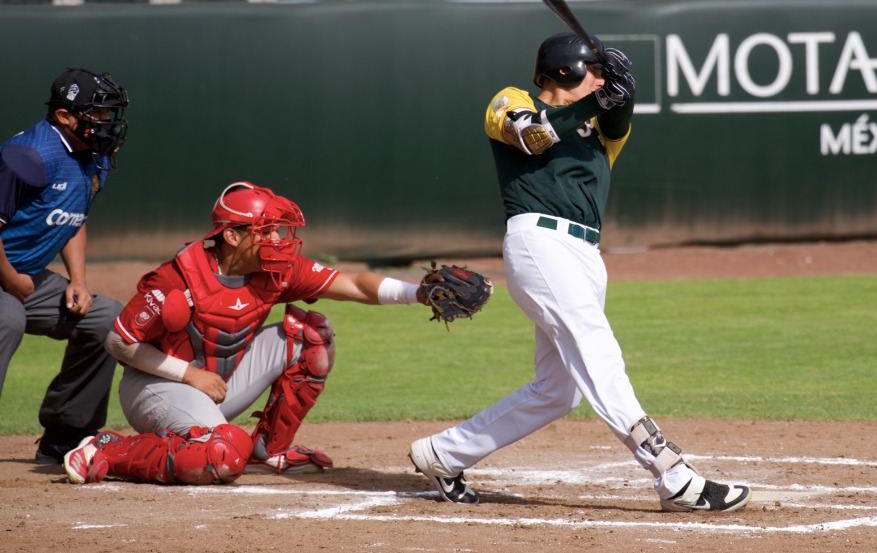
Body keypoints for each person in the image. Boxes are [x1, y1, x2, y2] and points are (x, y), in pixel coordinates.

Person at [408, 33, 752, 513]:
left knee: (558, 391)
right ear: (566, 69)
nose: (600, 81)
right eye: (593, 71)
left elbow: (616, 117)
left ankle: (443, 454)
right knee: (597, 350)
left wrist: (618, 92)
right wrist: (599, 92)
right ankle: (673, 476)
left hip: (587, 255)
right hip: (539, 243)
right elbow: (531, 135)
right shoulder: (512, 100)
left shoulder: (601, 131)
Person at [63, 180, 449, 486]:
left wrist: (419, 292)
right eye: (267, 231)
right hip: (156, 388)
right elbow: (118, 341)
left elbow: (353, 284)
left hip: (218, 385)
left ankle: (269, 449)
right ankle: (109, 450)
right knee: (223, 456)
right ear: (231, 236)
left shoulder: (276, 270)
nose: (279, 240)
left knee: (313, 334)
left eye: (278, 230)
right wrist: (189, 374)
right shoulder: (177, 276)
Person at [0, 68, 130, 465]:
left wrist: (78, 280)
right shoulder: (29, 155)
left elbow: (73, 217)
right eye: (98, 114)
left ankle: (65, 437)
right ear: (64, 117)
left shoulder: (94, 158)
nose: (107, 123)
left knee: (106, 318)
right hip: (10, 274)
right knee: (7, 318)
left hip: (26, 276)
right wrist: (12, 280)